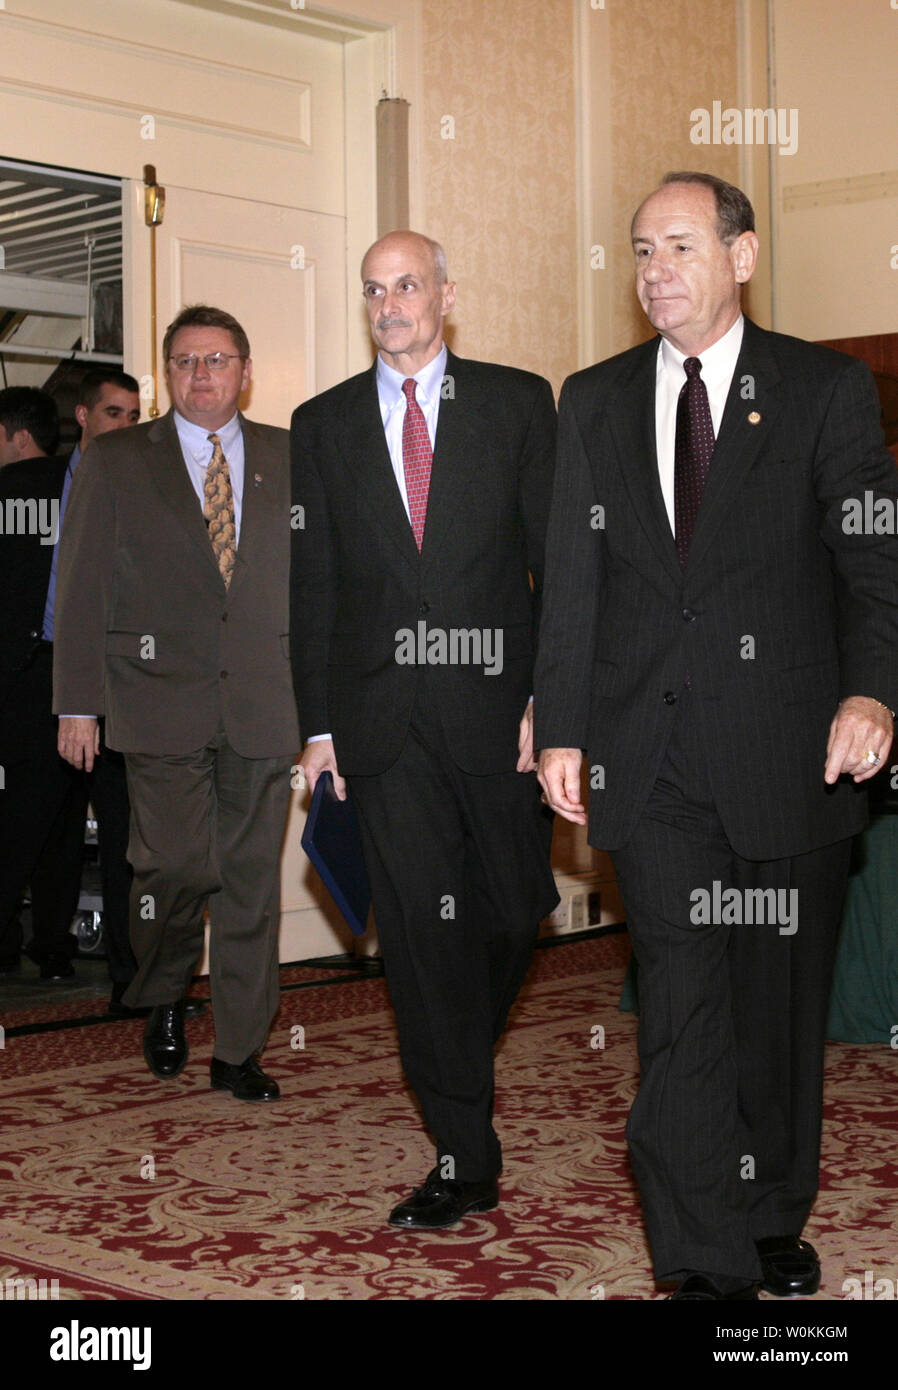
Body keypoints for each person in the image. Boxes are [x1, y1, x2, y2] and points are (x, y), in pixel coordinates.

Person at [535, 172, 898, 1301]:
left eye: (680, 247)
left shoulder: (826, 391)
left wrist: (872, 694)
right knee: (683, 1008)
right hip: (649, 762)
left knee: (776, 1012)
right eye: (642, 250)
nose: (655, 271)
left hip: (796, 755)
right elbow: (572, 585)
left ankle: (771, 1206)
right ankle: (697, 1260)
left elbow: (871, 561)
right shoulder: (590, 398)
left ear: (741, 257)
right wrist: (560, 724)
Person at [291, 231, 558, 1228]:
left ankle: (452, 1044)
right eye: (374, 289)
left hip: (500, 719)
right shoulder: (322, 424)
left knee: (511, 905)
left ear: (447, 293)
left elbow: (555, 570)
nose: (390, 303)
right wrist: (317, 730)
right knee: (418, 935)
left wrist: (549, 703)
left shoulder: (516, 401)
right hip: (380, 724)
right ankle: (464, 1147)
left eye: (407, 285)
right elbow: (312, 584)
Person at [54, 306, 299, 1100]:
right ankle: (162, 993)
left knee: (250, 884)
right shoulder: (119, 459)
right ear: (169, 375)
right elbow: (83, 586)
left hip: (263, 703)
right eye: (187, 362)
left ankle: (238, 1047)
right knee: (175, 866)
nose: (203, 375)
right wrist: (76, 705)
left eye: (218, 360)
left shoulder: (290, 458)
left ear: (245, 372)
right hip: (156, 703)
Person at [46, 371, 143, 1010]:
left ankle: (131, 979)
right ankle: (45, 952)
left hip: (120, 688)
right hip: (39, 681)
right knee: (43, 829)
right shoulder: (38, 487)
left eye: (135, 416)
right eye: (113, 412)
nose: (125, 427)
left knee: (123, 840)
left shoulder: (142, 486)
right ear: (83, 415)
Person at [0, 386, 70, 978]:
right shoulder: (82, 485)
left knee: (18, 819)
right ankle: (54, 942)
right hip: (74, 681)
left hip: (15, 684)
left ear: (17, 436)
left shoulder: (5, 492)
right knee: (61, 820)